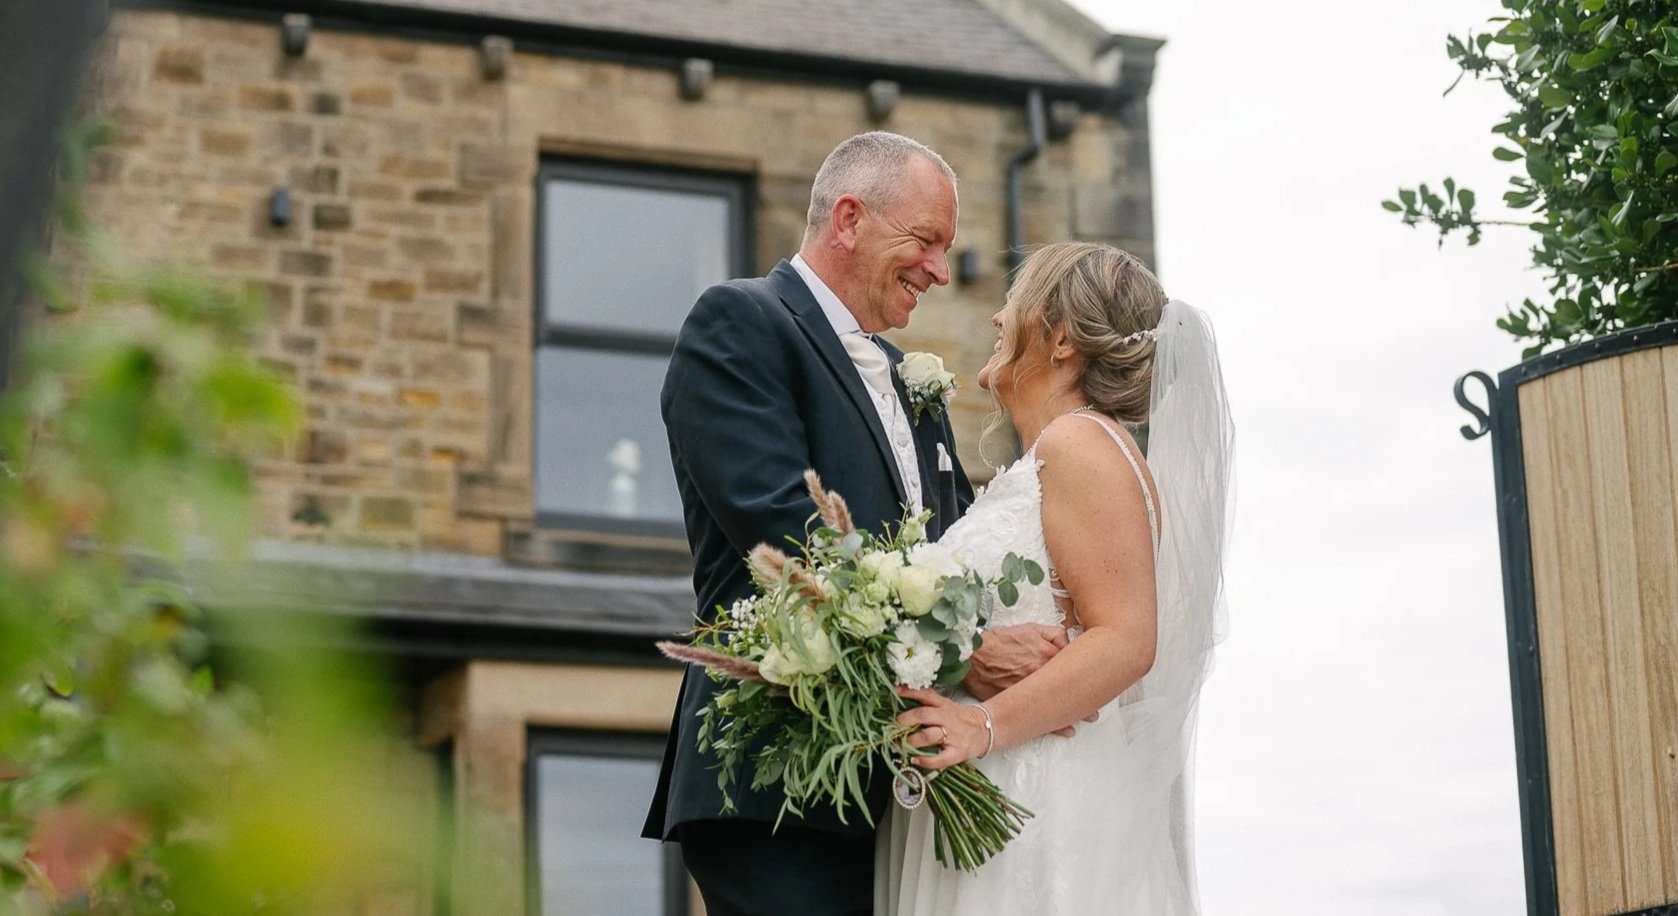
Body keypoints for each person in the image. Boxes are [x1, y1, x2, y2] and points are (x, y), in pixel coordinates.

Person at [642, 131, 1069, 916]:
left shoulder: (914, 386)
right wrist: (969, 652)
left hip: (900, 783)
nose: (941, 271)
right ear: (848, 219)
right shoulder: (739, 324)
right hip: (780, 774)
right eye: (927, 241)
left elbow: (954, 558)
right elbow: (785, 533)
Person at [878, 241, 1235, 914]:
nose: (994, 320)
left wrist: (979, 726)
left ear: (1061, 338)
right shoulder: (1056, 454)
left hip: (1038, 799)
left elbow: (1128, 637)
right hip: (1001, 788)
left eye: (1012, 304)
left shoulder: (1081, 444)